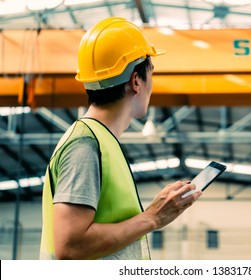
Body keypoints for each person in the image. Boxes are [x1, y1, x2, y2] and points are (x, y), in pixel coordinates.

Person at [40, 17, 202, 260]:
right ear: (136, 81)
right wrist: (152, 217)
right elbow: (71, 247)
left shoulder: (99, 141)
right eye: (151, 74)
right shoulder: (85, 144)